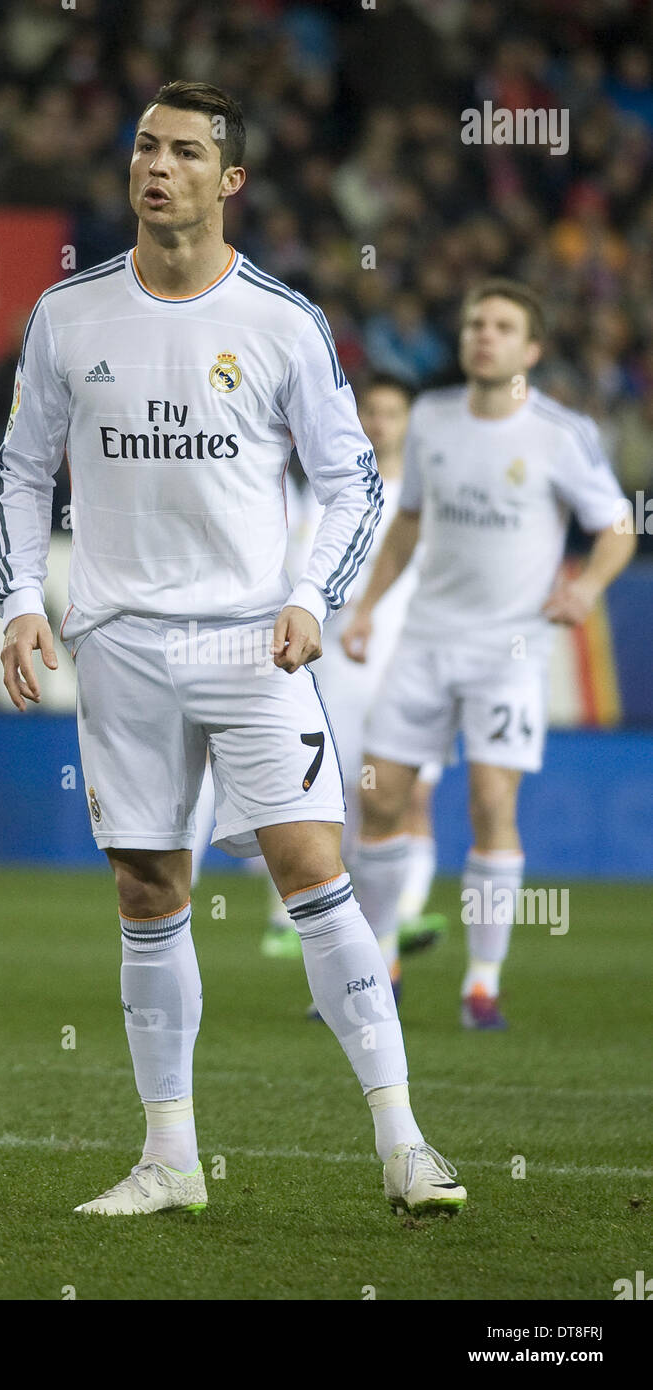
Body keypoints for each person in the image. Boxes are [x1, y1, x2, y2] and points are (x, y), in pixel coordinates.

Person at [0, 80, 466, 1219]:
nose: (157, 167)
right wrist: (17, 599)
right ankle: (169, 1159)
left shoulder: (280, 322)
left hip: (254, 644)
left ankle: (404, 1144)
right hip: (118, 644)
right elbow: (17, 472)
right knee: (149, 887)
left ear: (230, 180)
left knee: (312, 866)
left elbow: (352, 479)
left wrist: (311, 592)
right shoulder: (67, 316)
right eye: (145, 146)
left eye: (186, 153)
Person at [342, 280, 636, 1028]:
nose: (483, 334)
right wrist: (370, 606)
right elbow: (407, 526)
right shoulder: (433, 420)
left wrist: (590, 586)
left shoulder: (560, 434)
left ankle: (481, 982)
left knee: (491, 802)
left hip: (509, 650)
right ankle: (381, 959)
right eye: (475, 322)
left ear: (530, 350)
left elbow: (617, 525)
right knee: (378, 799)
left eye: (502, 326)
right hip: (426, 639)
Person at [259, 376, 447, 980]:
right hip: (334, 664)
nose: (382, 422)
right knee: (322, 795)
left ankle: (402, 915)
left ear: (410, 423)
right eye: (373, 410)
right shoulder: (325, 494)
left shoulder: (426, 502)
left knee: (410, 792)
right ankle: (294, 917)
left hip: (409, 661)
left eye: (394, 412)